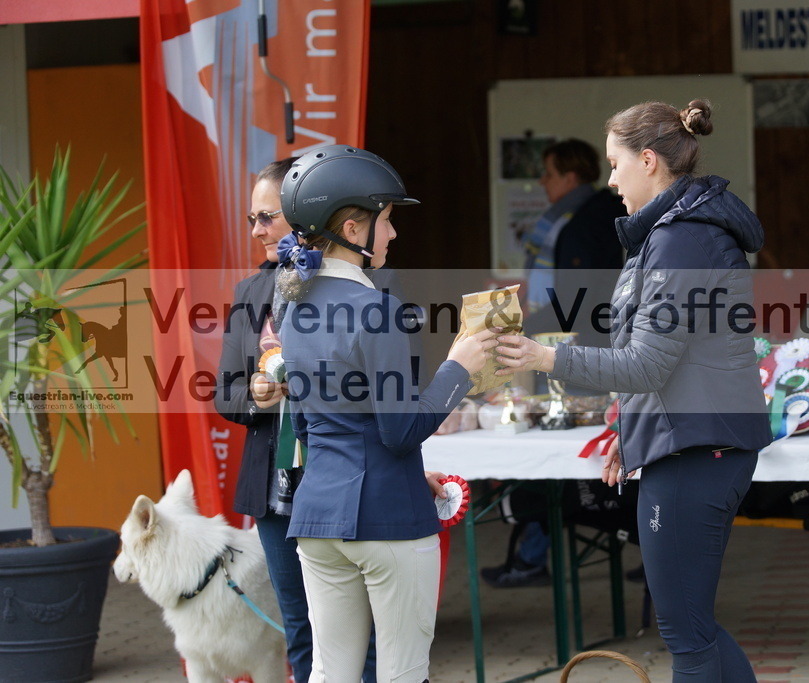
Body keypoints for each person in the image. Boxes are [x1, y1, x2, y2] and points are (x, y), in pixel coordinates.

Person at [494, 99, 772, 682]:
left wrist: (547, 357)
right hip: (690, 443)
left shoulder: (681, 239)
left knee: (685, 634)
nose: (611, 178)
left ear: (649, 161)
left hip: (698, 450)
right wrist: (634, 428)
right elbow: (667, 363)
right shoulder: (671, 235)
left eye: (617, 163)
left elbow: (646, 363)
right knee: (692, 628)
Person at [277, 145, 497, 682]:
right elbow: (399, 431)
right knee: (403, 674)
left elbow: (308, 428)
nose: (393, 234)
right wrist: (458, 368)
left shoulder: (289, 308)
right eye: (387, 220)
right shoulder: (379, 310)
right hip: (388, 519)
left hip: (317, 517)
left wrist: (407, 472)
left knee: (330, 674)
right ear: (353, 229)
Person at [483, 138, 625, 589]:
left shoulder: (582, 222)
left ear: (569, 176)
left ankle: (531, 557)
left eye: (548, 173)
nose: (541, 183)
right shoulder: (585, 215)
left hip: (577, 350)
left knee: (553, 451)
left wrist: (532, 326)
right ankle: (639, 540)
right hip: (590, 346)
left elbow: (577, 299)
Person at [215, 156, 322, 683]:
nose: (256, 230)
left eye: (266, 217)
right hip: (274, 485)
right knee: (299, 624)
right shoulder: (250, 292)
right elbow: (223, 394)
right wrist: (258, 395)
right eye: (252, 219)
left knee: (352, 623)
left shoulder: (347, 281)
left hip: (335, 476)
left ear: (301, 215)